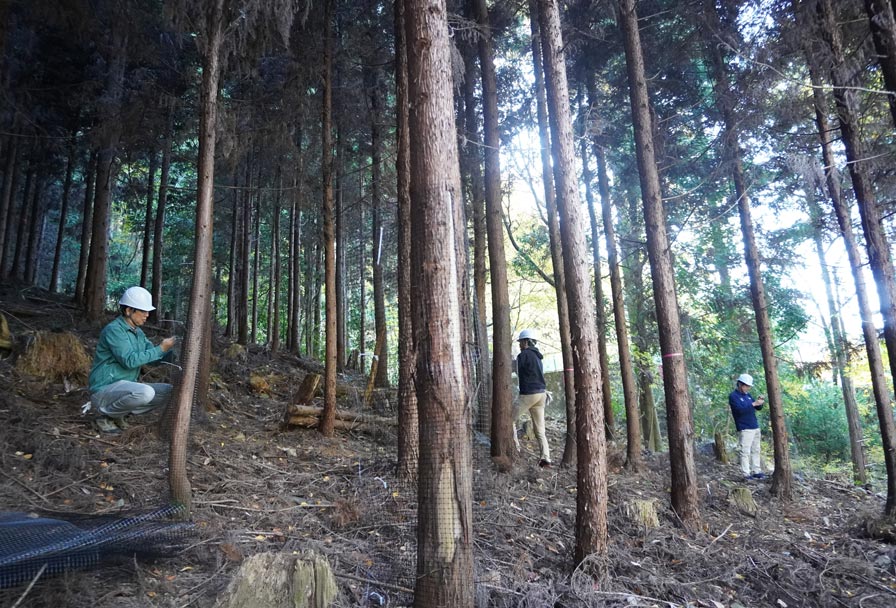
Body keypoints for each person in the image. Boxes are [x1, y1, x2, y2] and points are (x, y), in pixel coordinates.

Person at [86, 286, 177, 435]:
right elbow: (129, 361)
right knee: (145, 393)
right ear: (129, 310)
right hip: (104, 390)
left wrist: (172, 353)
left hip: (124, 389)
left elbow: (152, 359)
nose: (147, 315)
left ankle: (119, 414)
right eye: (143, 311)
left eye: (148, 311)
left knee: (169, 391)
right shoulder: (114, 330)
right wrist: (161, 348)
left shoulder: (138, 333)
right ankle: (104, 416)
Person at [513, 329, 551, 468]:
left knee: (508, 420)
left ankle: (515, 448)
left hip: (529, 394)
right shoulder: (538, 357)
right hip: (541, 395)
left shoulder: (523, 355)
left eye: (521, 342)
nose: (519, 345)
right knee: (540, 430)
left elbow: (516, 370)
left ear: (526, 342)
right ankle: (546, 457)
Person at [729, 373, 765, 480]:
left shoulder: (748, 395)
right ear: (740, 384)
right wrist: (753, 404)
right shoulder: (733, 396)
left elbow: (758, 408)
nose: (748, 388)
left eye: (749, 386)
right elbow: (739, 410)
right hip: (745, 427)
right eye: (746, 386)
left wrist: (760, 402)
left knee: (756, 449)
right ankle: (746, 473)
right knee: (745, 451)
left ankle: (756, 470)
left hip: (754, 426)